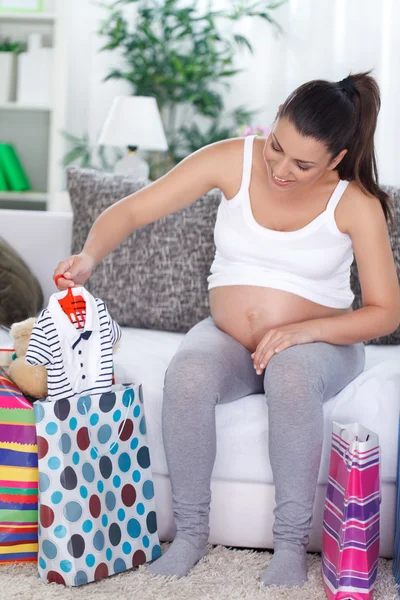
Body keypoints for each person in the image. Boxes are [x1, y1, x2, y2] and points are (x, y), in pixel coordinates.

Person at [54, 70, 400, 588]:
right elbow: (134, 210)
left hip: (323, 344)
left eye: (302, 163)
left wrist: (304, 332)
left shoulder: (355, 202)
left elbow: (385, 313)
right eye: (276, 147)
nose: (281, 168)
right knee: (189, 374)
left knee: (291, 376)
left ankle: (289, 546)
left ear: (337, 159)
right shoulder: (232, 158)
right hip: (231, 337)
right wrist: (88, 256)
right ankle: (191, 535)